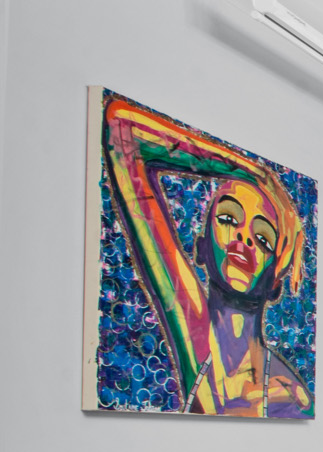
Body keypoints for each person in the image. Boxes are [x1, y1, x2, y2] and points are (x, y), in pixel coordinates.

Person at [100, 94, 312, 417]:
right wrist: (247, 168)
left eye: (263, 238)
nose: (243, 238)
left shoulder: (291, 399)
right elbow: (121, 128)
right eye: (228, 219)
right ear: (200, 248)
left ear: (275, 285)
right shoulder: (192, 327)